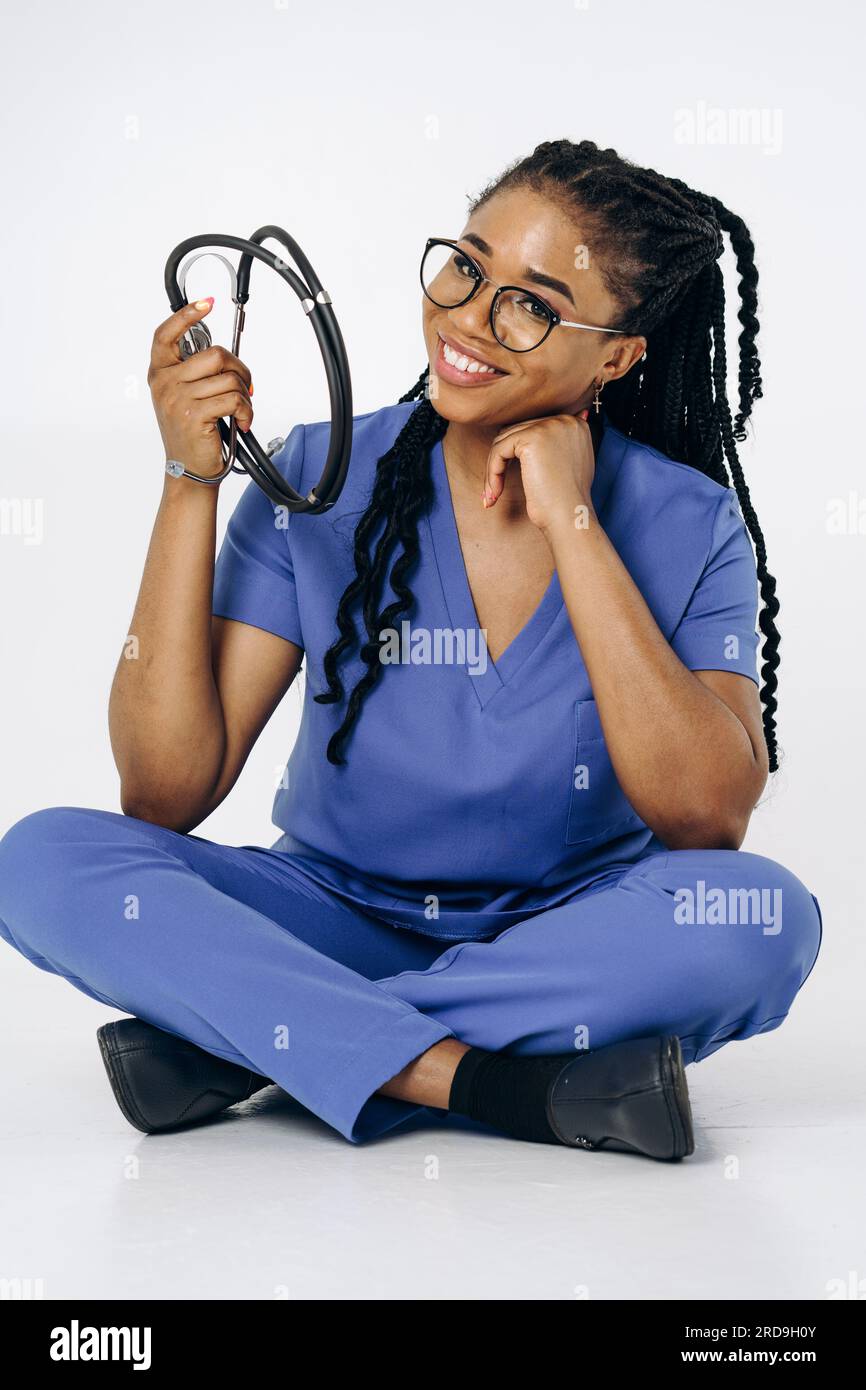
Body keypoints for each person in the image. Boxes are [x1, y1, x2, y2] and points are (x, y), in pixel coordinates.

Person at [0, 139, 822, 1161]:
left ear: (615, 353)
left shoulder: (686, 523)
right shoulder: (318, 475)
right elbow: (164, 790)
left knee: (762, 919)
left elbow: (705, 815)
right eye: (465, 267)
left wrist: (571, 515)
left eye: (530, 302)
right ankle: (482, 1081)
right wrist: (187, 481)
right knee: (40, 859)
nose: (469, 320)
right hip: (326, 914)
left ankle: (264, 1040)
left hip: (564, 937)